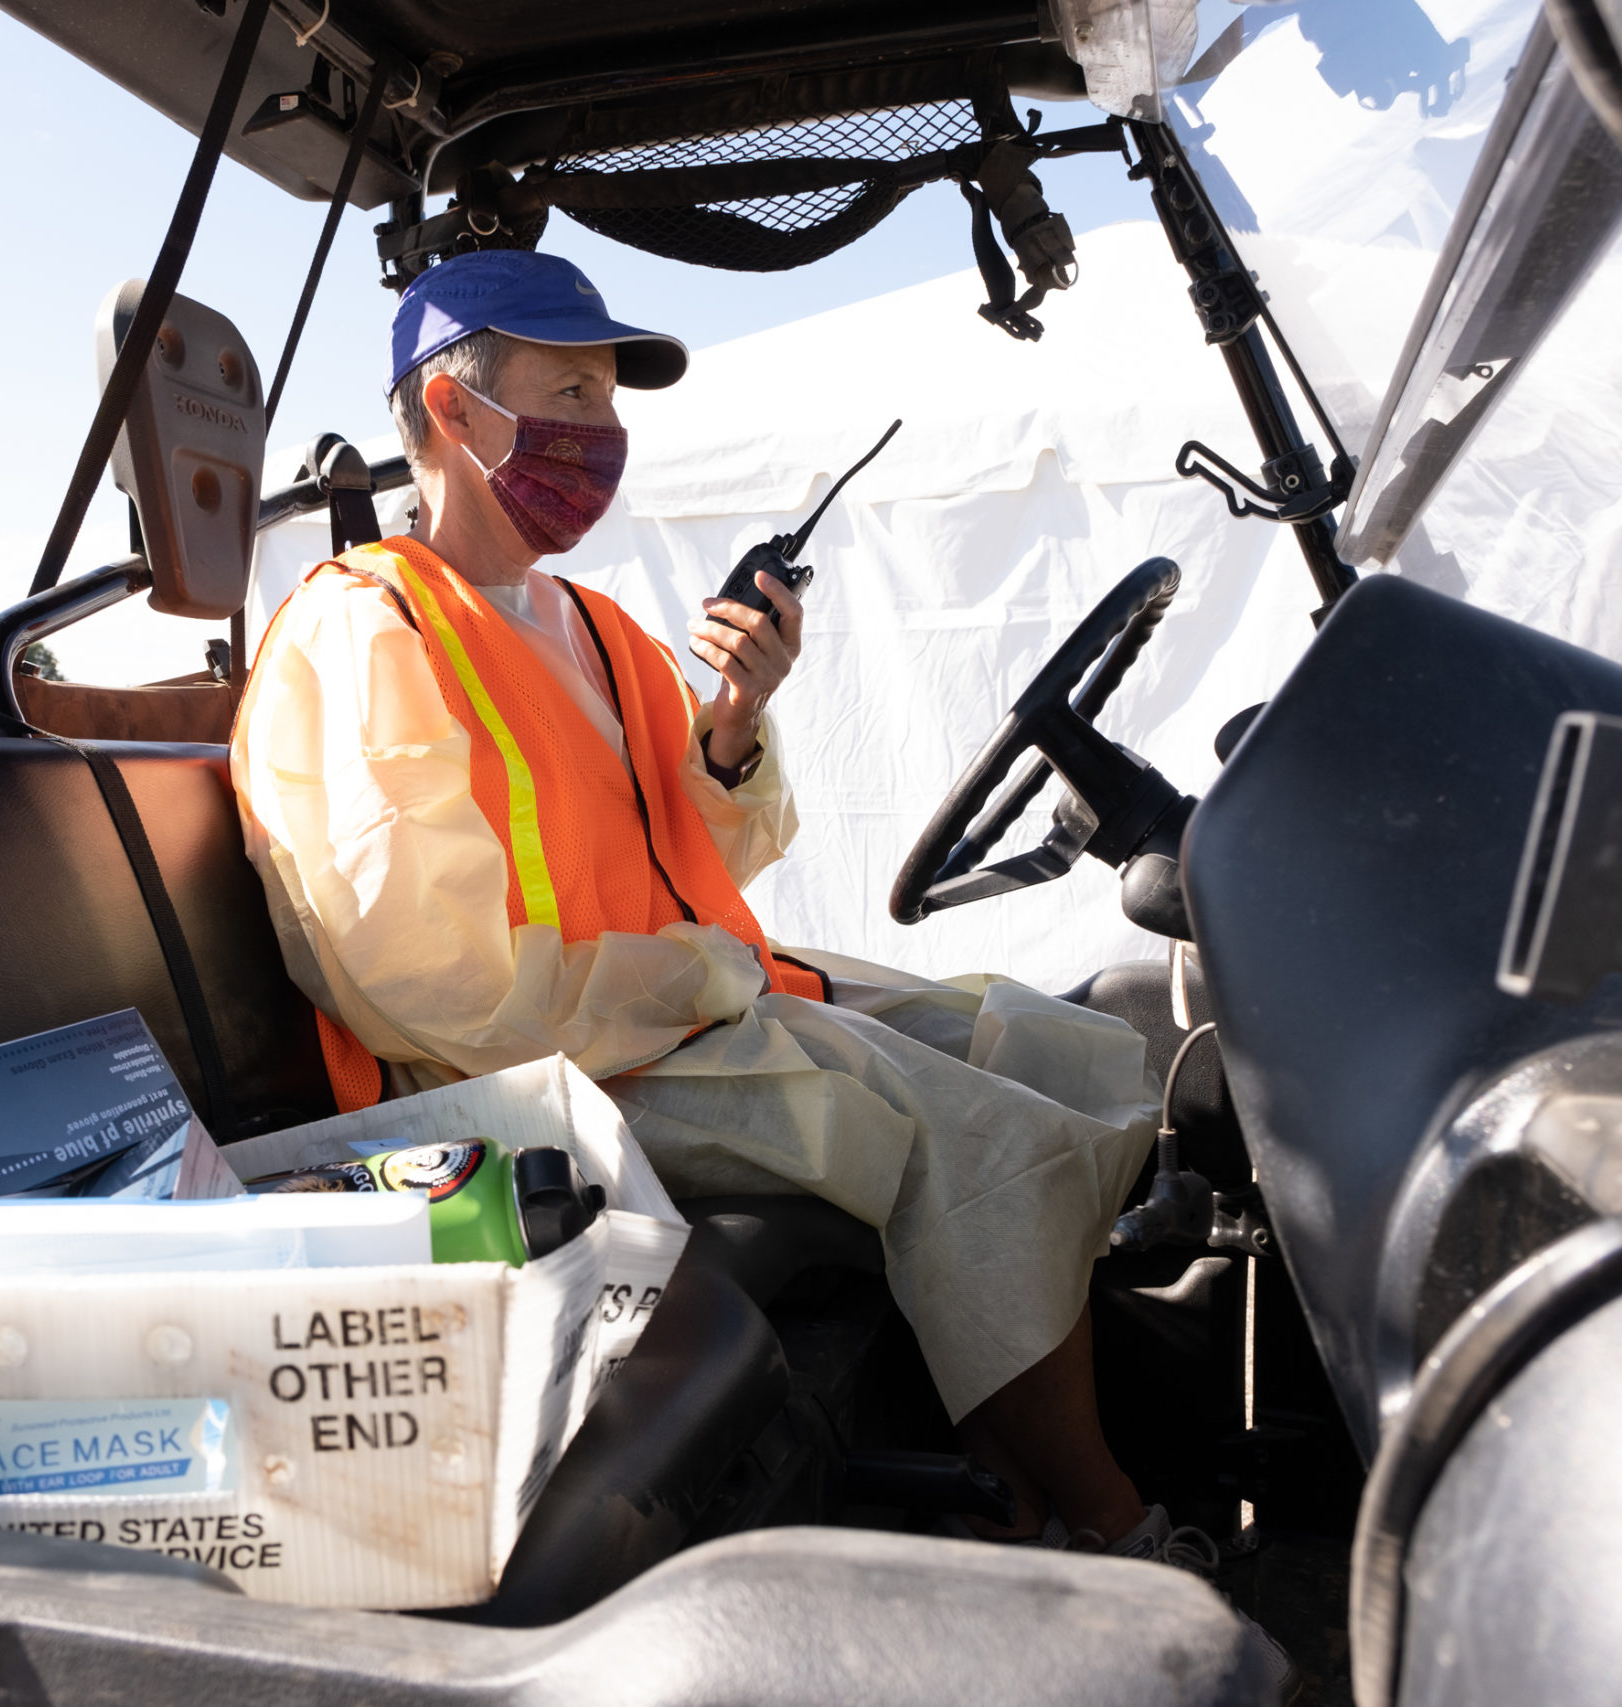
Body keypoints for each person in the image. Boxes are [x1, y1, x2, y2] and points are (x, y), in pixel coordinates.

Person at [232, 248, 1191, 1563]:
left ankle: (1001, 1484)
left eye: (609, 400)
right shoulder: (371, 631)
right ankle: (1113, 1525)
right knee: (986, 1138)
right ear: (451, 409)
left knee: (1050, 1040)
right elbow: (431, 982)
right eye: (571, 395)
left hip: (678, 1013)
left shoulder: (592, 624)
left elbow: (704, 853)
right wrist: (693, 980)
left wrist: (735, 720)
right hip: (526, 1082)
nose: (602, 433)